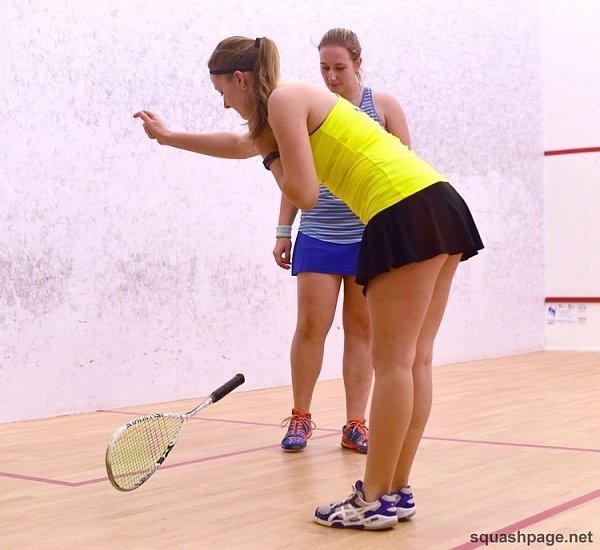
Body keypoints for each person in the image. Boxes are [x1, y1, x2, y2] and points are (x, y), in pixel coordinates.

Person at [136, 34, 483, 531]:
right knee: (414, 361)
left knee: (392, 365)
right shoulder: (292, 102)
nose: (224, 103)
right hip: (437, 201)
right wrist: (170, 137)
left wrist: (270, 158)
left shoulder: (283, 100)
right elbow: (239, 143)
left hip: (399, 211)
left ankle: (373, 498)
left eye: (222, 92)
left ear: (240, 79)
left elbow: (304, 193)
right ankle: (396, 491)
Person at [274, 28, 411, 454]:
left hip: (369, 237)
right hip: (318, 232)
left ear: (357, 64)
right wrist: (283, 230)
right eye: (324, 69)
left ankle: (355, 424)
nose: (331, 77)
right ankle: (300, 417)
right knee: (310, 327)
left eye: (339, 68)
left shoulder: (383, 106)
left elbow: (402, 170)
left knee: (361, 331)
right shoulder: (310, 108)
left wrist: (400, 237)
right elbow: (294, 174)